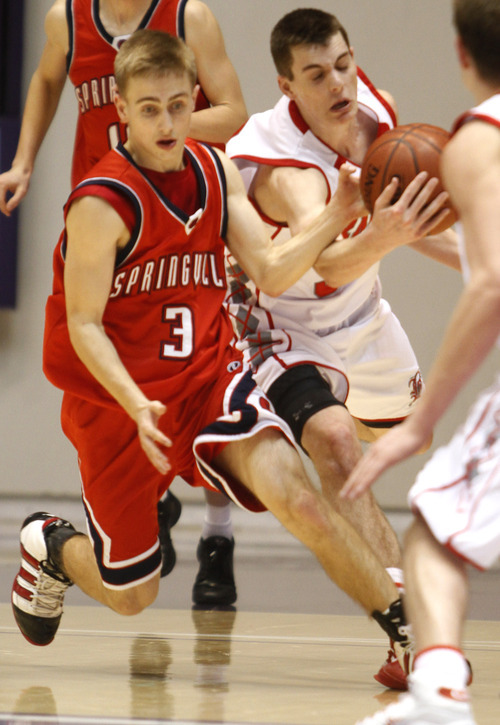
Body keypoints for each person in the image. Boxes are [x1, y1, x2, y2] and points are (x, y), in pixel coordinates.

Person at [13, 29, 414, 662]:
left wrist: (338, 212)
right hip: (119, 409)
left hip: (206, 382)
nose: (168, 122)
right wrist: (134, 401)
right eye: (150, 108)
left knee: (299, 497)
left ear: (193, 99)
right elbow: (85, 326)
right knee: (132, 596)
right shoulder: (101, 203)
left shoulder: (212, 168)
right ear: (120, 108)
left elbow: (273, 270)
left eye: (179, 104)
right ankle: (50, 543)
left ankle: (408, 632)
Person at [224, 7, 458, 689]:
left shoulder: (374, 112)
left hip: (364, 320)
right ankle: (410, 627)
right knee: (335, 444)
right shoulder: (280, 161)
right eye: (316, 74)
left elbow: (409, 224)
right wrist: (387, 233)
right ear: (286, 84)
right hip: (281, 327)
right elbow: (331, 263)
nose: (338, 84)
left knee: (399, 436)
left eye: (344, 65)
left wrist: (480, 262)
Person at [0, 0, 249, 607]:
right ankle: (120, 513)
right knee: (98, 372)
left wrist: (170, 128)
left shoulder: (190, 17)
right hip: (109, 226)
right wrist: (23, 160)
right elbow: (46, 79)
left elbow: (237, 112)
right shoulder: (67, 19)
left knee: (210, 359)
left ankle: (217, 539)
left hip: (179, 206)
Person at [341, 0, 500, 722]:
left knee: (433, 531)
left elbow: (492, 281)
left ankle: (438, 697)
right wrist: (400, 237)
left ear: (462, 55)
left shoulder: (479, 142)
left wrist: (419, 420)